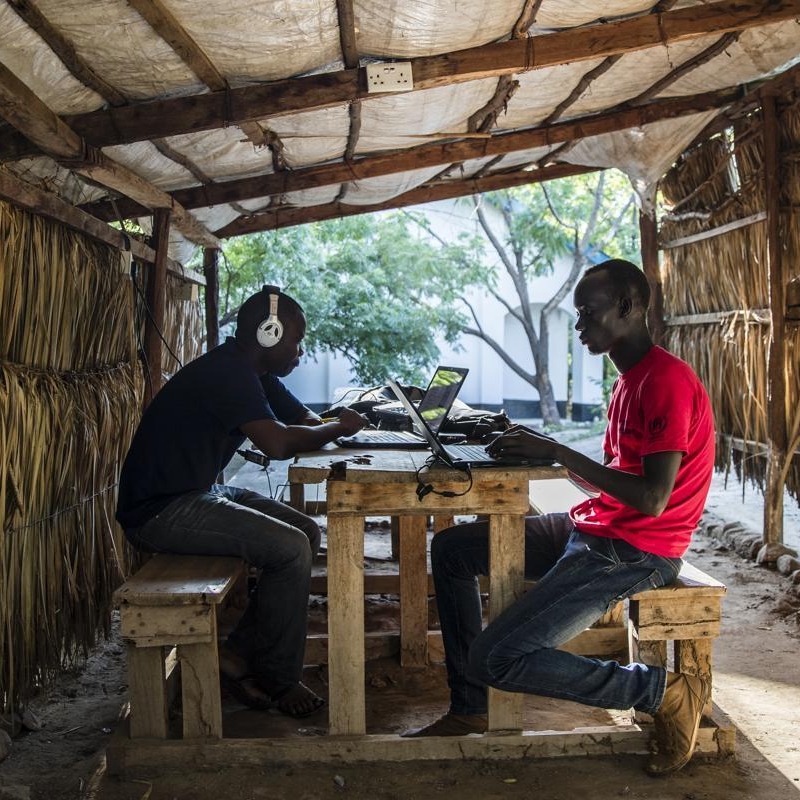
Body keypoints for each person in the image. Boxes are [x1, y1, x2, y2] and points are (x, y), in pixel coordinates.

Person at [403, 259, 716, 776]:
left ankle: (662, 692)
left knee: (496, 658)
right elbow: (610, 477)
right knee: (453, 549)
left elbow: (654, 498)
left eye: (588, 314)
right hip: (596, 527)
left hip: (637, 550)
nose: (579, 327)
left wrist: (560, 453)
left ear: (628, 307)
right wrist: (540, 456)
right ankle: (469, 708)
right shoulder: (628, 381)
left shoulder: (666, 382)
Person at [116, 285, 368, 718]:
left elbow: (302, 420)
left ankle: (239, 654)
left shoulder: (254, 373)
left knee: (305, 530)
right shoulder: (229, 374)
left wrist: (331, 424)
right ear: (268, 334)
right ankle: (277, 676)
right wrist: (339, 429)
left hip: (196, 492)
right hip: (160, 509)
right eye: (296, 339)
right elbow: (277, 443)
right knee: (290, 549)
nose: (300, 351)